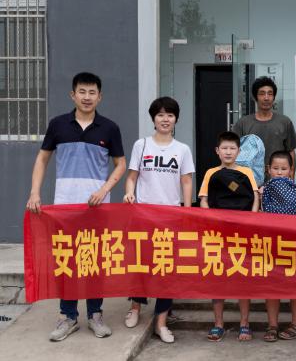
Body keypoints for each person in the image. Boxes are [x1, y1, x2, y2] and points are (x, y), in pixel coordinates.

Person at [26, 72, 126, 342]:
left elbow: (121, 164)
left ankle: (95, 314)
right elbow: (42, 159)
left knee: (94, 260)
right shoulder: (58, 124)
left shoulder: (109, 128)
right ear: (73, 95)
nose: (87, 97)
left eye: (92, 92)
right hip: (65, 207)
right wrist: (35, 192)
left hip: (97, 208)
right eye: (82, 92)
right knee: (67, 261)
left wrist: (104, 190)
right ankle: (68, 316)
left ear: (100, 97)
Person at [122, 97, 194, 343]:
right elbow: (132, 177)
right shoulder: (141, 145)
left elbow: (186, 181)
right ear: (153, 118)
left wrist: (186, 211)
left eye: (170, 115)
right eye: (161, 115)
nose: (165, 119)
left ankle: (161, 322)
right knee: (140, 262)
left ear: (176, 119)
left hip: (171, 216)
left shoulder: (182, 149)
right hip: (144, 214)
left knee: (167, 268)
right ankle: (135, 307)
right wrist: (129, 192)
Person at [198, 131, 259, 342]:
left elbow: (255, 198)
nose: (228, 152)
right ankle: (218, 324)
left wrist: (251, 221)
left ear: (239, 151)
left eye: (232, 148)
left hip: (243, 233)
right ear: (217, 151)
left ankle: (244, 323)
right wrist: (212, 221)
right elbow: (204, 200)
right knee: (217, 278)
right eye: (224, 148)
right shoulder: (211, 173)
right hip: (217, 234)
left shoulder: (247, 172)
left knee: (242, 278)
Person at [252, 151, 296, 342]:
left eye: (284, 169)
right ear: (268, 169)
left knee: (295, 283)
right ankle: (272, 325)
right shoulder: (262, 190)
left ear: (291, 170)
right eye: (276, 168)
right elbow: (256, 215)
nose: (280, 172)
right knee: (272, 284)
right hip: (270, 242)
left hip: (293, 242)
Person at [232, 77, 296, 180]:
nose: (266, 98)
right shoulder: (243, 123)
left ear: (274, 97)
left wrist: (291, 178)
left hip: (278, 179)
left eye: (270, 94)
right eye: (262, 93)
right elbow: (233, 151)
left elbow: (291, 151)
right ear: (255, 97)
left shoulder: (284, 122)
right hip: (248, 179)